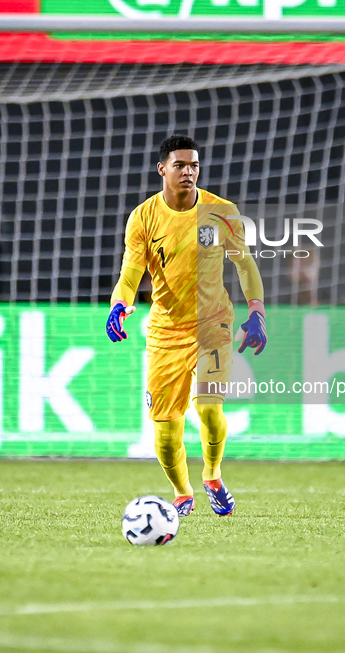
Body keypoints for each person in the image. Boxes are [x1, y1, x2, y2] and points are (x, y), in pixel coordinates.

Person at [106, 134, 267, 517]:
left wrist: (257, 312)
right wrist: (119, 304)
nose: (188, 172)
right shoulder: (143, 217)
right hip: (165, 329)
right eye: (180, 165)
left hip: (213, 325)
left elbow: (244, 265)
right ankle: (182, 492)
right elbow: (131, 274)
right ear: (162, 169)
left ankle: (212, 475)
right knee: (165, 429)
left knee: (209, 407)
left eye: (194, 165)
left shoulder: (222, 211)